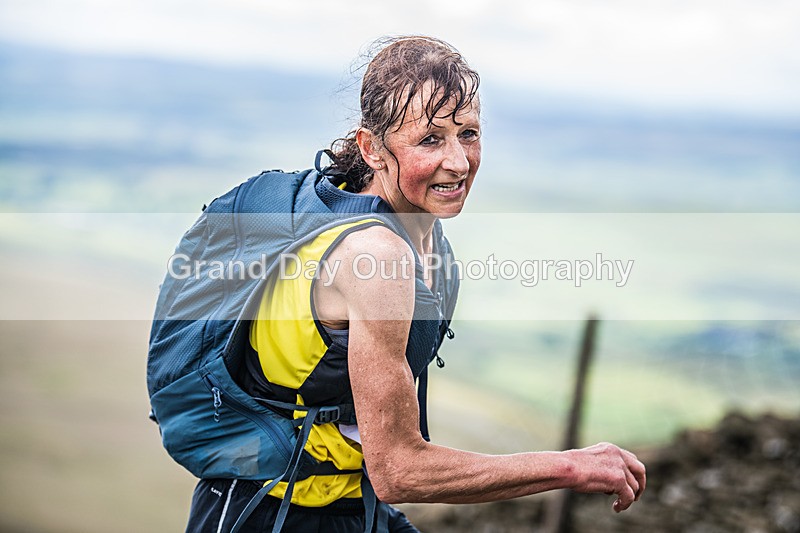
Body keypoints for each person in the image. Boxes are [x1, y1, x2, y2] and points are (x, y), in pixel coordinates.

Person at [185, 35, 645, 533]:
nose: (459, 161)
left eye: (468, 133)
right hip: (267, 513)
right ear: (372, 149)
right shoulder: (375, 257)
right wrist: (571, 466)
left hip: (349, 503)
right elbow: (399, 470)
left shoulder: (426, 240)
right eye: (430, 139)